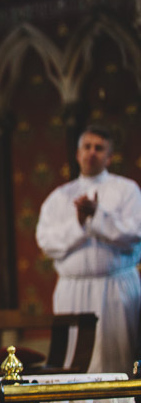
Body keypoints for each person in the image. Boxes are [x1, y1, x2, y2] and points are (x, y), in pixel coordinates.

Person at [36, 125, 141, 373]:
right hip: (73, 290)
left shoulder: (127, 191)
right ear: (77, 154)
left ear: (109, 156)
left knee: (119, 362)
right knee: (74, 364)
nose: (92, 153)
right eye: (87, 147)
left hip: (115, 288)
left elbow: (135, 232)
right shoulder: (59, 197)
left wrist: (98, 217)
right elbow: (46, 242)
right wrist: (80, 224)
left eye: (99, 148)